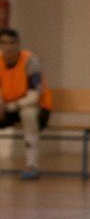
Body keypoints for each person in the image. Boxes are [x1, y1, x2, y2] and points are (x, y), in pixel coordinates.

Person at [0, 28, 52, 180]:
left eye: (12, 43)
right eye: (3, 43)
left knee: (27, 113)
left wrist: (11, 106)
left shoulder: (30, 61)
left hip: (37, 108)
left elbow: (34, 95)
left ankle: (31, 164)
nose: (8, 47)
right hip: (9, 106)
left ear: (18, 44)